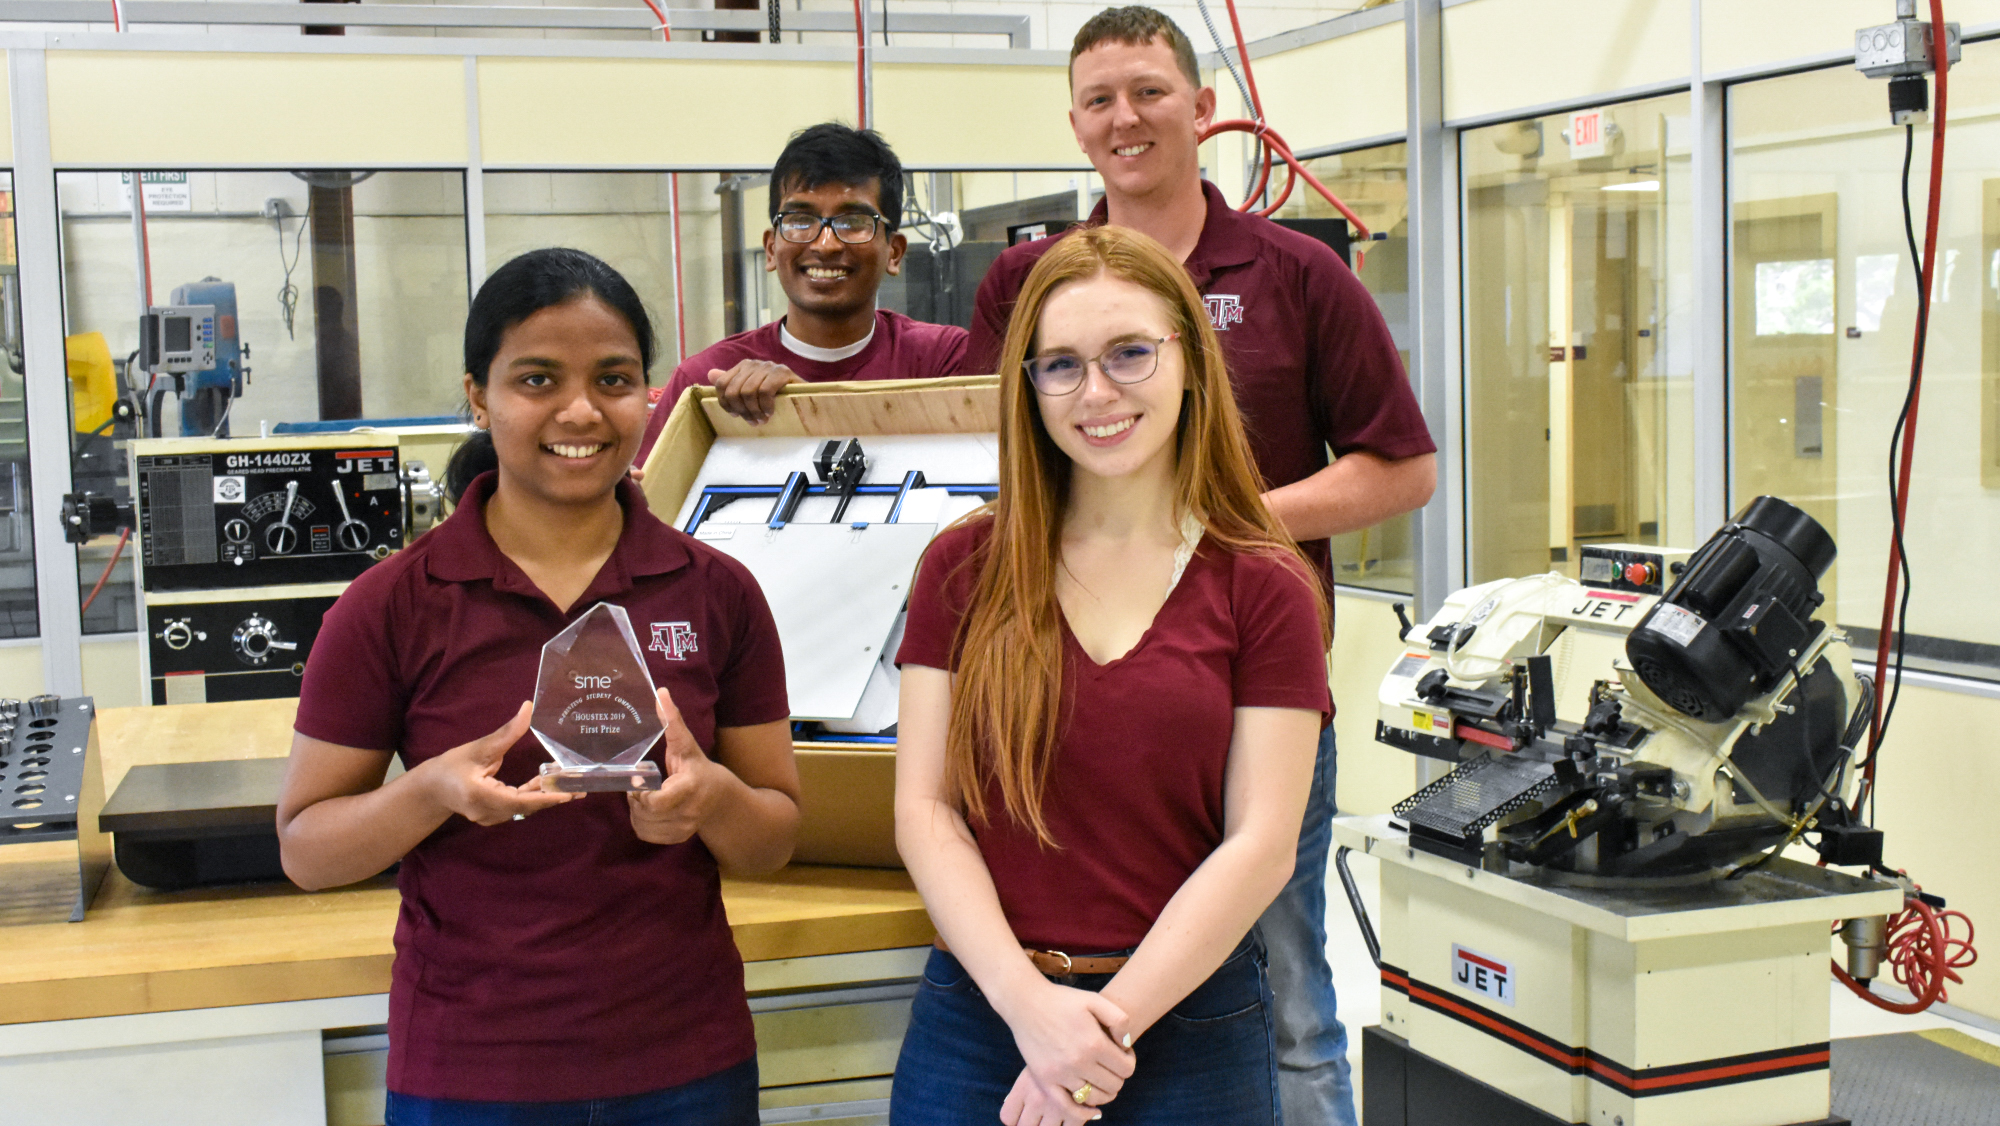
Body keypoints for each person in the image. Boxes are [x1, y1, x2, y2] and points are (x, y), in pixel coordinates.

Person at [965, 9, 1437, 1123]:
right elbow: (983, 461)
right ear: (1073, 125)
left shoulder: (1299, 274)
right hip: (1070, 698)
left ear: (1201, 107)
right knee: (1068, 975)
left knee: (1283, 992)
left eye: (1146, 91)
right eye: (1098, 99)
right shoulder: (1023, 285)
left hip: (1254, 701)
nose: (1123, 118)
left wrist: (1212, 527)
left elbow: (1400, 468)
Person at [276, 247, 801, 1126]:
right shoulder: (392, 606)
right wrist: (433, 792)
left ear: (649, 392)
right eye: (536, 379)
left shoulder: (717, 592)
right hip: (473, 1072)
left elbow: (775, 835)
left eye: (614, 378)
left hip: (685, 1063)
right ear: (478, 396)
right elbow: (306, 849)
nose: (581, 411)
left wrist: (708, 799)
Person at [890, 225, 1331, 1126]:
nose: (1096, 393)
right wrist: (1030, 1010)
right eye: (1060, 365)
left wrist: (1089, 1044)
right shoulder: (961, 569)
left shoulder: (1264, 583)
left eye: (1130, 353)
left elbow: (1260, 844)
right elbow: (925, 810)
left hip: (1191, 1026)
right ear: (1029, 387)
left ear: (1191, 360)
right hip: (982, 1020)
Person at [634, 123, 969, 461]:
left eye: (854, 222)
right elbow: (649, 507)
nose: (825, 244)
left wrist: (806, 410)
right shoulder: (708, 383)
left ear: (894, 252)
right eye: (799, 220)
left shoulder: (943, 362)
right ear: (770, 249)